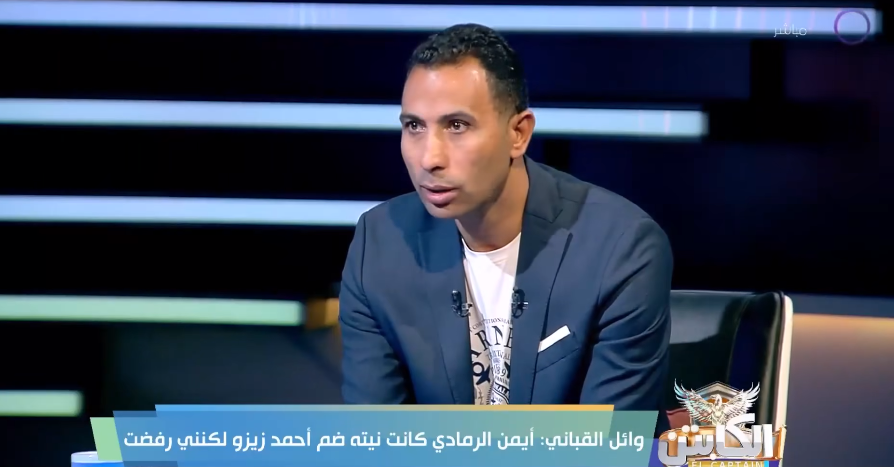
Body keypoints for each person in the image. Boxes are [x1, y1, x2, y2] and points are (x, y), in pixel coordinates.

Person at [338, 23, 672, 434]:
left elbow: (610, 445)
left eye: (456, 126)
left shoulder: (620, 249)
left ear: (518, 133)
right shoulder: (379, 246)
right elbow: (374, 439)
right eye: (414, 126)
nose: (429, 158)